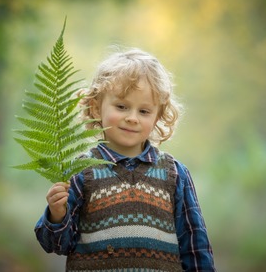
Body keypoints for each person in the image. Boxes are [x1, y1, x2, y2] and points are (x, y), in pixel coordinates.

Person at [34, 47, 216, 271]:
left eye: (144, 111)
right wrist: (56, 214)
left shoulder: (175, 174)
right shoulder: (81, 172)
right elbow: (57, 245)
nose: (132, 118)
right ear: (96, 107)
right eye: (121, 107)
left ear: (158, 116)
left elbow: (195, 245)